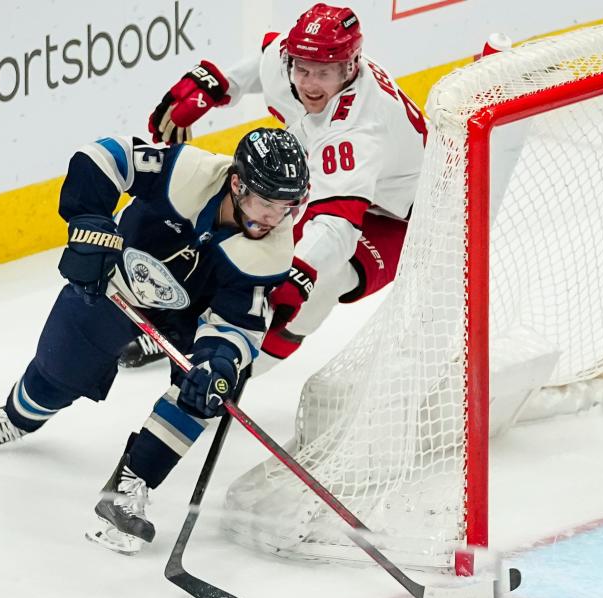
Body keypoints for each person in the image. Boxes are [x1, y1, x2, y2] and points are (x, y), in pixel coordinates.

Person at [0, 127, 310, 554]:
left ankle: (132, 480)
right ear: (237, 184)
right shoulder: (189, 172)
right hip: (114, 281)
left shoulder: (271, 251)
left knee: (205, 390)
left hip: (185, 317)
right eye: (267, 203)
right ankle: (17, 418)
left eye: (287, 206)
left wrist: (219, 362)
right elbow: (104, 156)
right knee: (56, 375)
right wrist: (91, 222)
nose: (276, 218)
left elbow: (237, 325)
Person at [119, 3, 427, 372]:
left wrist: (299, 273)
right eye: (303, 69)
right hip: (334, 178)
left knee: (322, 283)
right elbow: (267, 63)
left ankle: (237, 369)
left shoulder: (357, 132)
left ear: (351, 66)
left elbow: (336, 227)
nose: (311, 84)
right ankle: (184, 318)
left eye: (324, 73)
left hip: (404, 216)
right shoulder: (299, 59)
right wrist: (217, 85)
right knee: (241, 209)